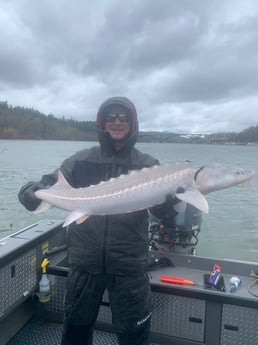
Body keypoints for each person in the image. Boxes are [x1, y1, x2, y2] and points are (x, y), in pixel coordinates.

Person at [18, 96, 177, 345]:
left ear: (133, 123)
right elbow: (48, 183)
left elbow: (165, 214)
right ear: (101, 123)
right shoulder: (80, 160)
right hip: (84, 266)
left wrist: (171, 204)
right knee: (75, 334)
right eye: (110, 117)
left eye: (123, 117)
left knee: (134, 336)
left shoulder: (147, 166)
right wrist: (30, 190)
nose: (116, 122)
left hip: (129, 269)